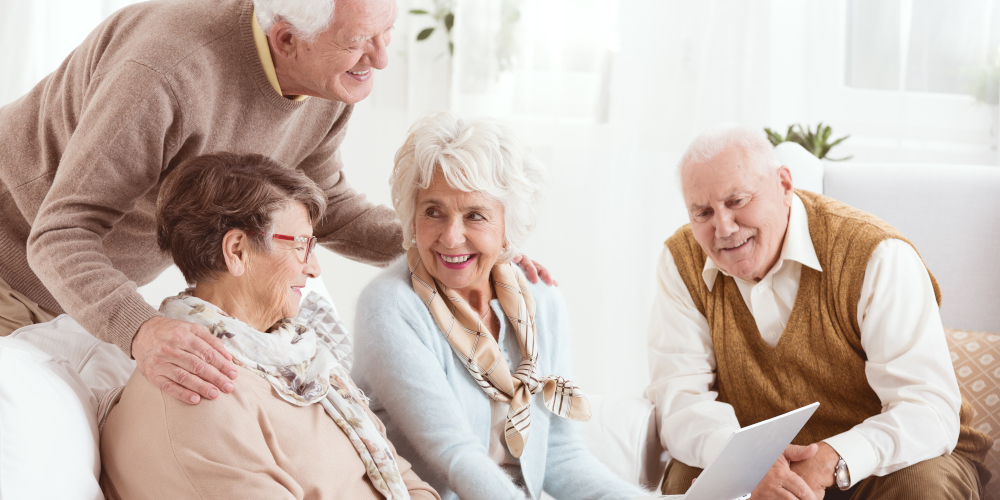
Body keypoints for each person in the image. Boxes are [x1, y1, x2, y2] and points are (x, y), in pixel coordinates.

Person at [0, 0, 549, 407]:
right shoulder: (167, 73)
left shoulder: (327, 79)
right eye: (361, 40)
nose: (379, 59)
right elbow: (60, 234)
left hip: (68, 288)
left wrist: (445, 246)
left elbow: (326, 201)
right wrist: (141, 330)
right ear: (286, 40)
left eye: (388, 33)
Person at [645, 127, 993, 499]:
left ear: (783, 185)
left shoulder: (875, 254)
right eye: (703, 212)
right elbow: (679, 398)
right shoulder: (681, 260)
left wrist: (834, 459)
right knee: (689, 481)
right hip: (757, 464)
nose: (724, 228)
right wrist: (747, 465)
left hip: (882, 462)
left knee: (921, 486)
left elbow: (927, 410)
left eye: (738, 201)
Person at [100, 152, 439, 500]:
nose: (314, 269)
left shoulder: (301, 358)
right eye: (302, 246)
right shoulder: (200, 389)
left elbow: (404, 478)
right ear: (238, 251)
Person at [350, 112, 650, 500]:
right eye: (433, 211)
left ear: (509, 223)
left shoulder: (541, 298)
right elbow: (456, 456)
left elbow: (560, 455)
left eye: (475, 215)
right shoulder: (389, 308)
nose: (451, 237)